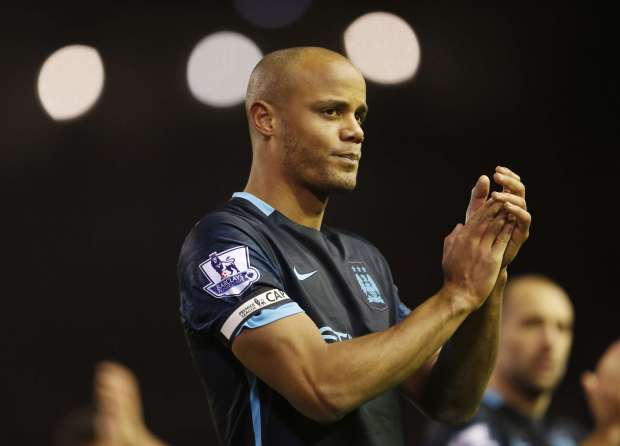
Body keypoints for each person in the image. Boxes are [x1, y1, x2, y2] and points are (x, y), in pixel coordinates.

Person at [177, 46, 531, 445]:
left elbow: (450, 402)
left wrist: (489, 276)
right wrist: (458, 294)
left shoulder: (363, 257)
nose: (356, 131)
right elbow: (320, 388)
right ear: (266, 119)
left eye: (359, 115)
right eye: (331, 111)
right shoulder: (226, 242)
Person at [421, 274, 620, 446]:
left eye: (562, 328)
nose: (550, 342)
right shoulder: (462, 422)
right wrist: (607, 434)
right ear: (493, 329)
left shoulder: (569, 435)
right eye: (532, 324)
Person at [54, 361, 167, 446]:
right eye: (104, 389)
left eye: (121, 391)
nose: (111, 397)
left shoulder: (141, 438)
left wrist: (134, 435)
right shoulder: (78, 430)